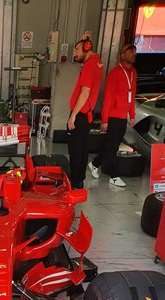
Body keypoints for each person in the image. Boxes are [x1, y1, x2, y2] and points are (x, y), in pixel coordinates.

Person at [88, 43, 137, 188]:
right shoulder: (114, 73)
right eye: (130, 51)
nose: (134, 54)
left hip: (123, 117)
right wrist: (104, 120)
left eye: (134, 51)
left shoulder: (133, 72)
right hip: (113, 116)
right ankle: (114, 176)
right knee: (112, 147)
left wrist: (132, 114)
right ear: (123, 55)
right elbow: (108, 98)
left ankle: (95, 163)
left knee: (111, 145)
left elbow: (132, 94)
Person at [67, 38, 104, 189]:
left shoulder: (89, 66)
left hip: (80, 115)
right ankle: (79, 179)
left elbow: (85, 92)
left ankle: (74, 181)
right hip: (87, 114)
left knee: (75, 150)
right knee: (82, 149)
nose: (75, 53)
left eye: (77, 50)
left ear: (86, 48)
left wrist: (73, 115)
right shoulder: (98, 63)